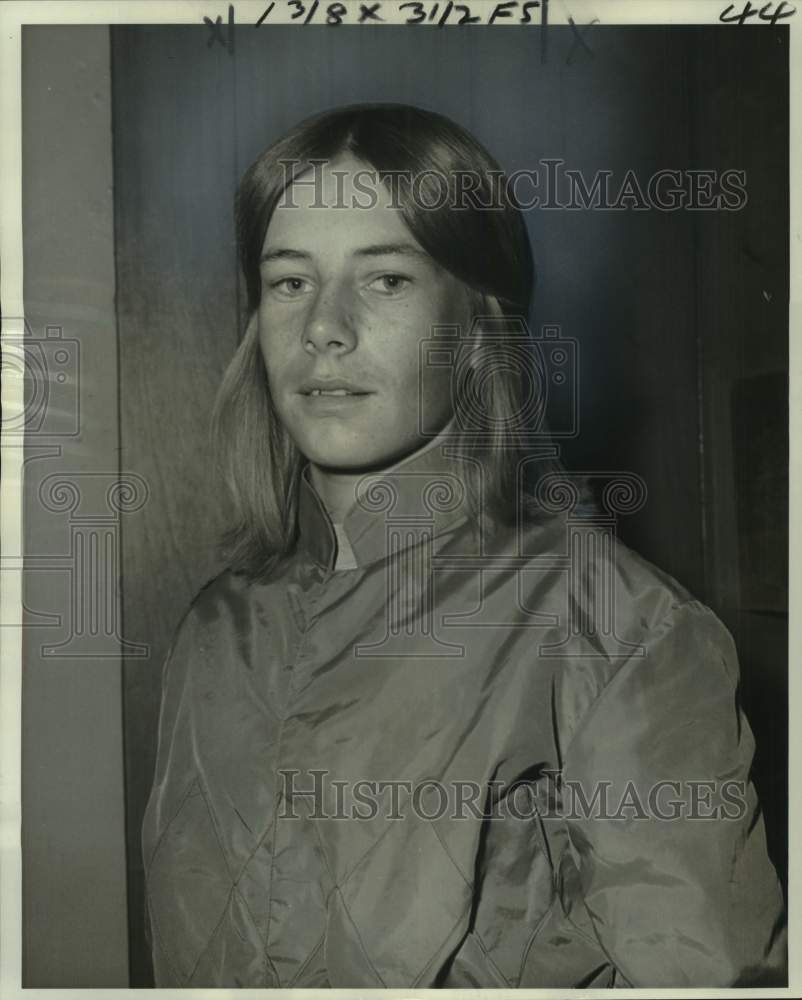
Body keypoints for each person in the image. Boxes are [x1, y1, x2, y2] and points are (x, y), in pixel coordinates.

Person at [141, 103, 786, 988]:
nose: (324, 326)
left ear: (480, 327)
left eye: (387, 280)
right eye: (289, 281)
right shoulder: (214, 628)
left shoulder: (617, 629)